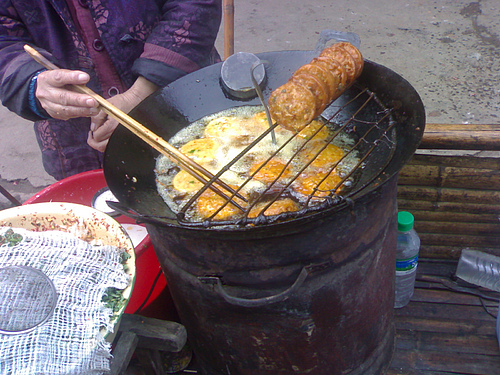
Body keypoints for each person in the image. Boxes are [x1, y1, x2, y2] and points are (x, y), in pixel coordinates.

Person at [0, 0, 222, 180]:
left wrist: (140, 94)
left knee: (222, 181)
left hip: (185, 100)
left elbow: (194, 4)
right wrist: (33, 82)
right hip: (78, 142)